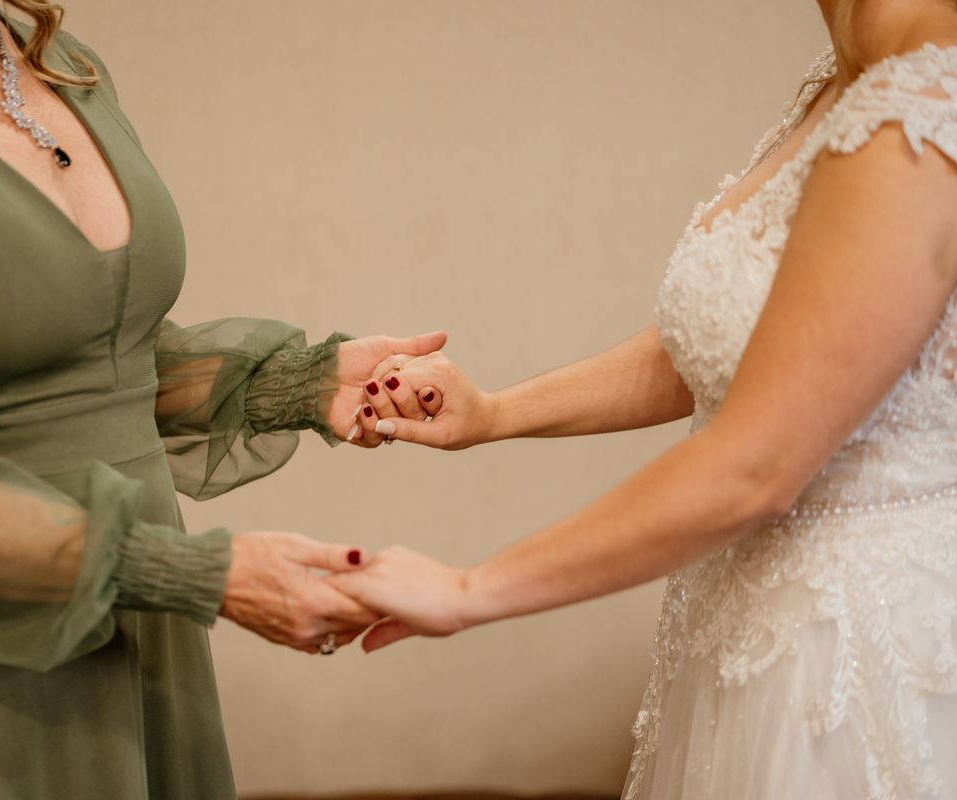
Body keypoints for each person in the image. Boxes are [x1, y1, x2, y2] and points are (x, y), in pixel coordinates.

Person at [0, 1, 445, 798]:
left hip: (131, 614)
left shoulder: (60, 65)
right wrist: (190, 573)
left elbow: (95, 365)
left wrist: (301, 383)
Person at [332, 0, 957, 797]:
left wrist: (469, 590)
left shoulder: (918, 106)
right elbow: (743, 340)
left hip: (855, 650)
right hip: (740, 632)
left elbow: (758, 461)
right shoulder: (838, 84)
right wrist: (493, 414)